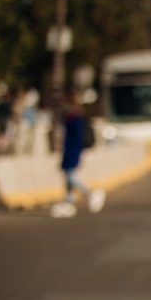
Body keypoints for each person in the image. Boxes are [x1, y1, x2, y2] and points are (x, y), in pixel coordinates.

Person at [49, 91, 105, 219]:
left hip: (73, 150)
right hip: (69, 150)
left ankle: (91, 193)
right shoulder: (72, 117)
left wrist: (73, 151)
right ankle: (68, 203)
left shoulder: (76, 118)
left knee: (70, 175)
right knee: (68, 176)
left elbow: (77, 137)